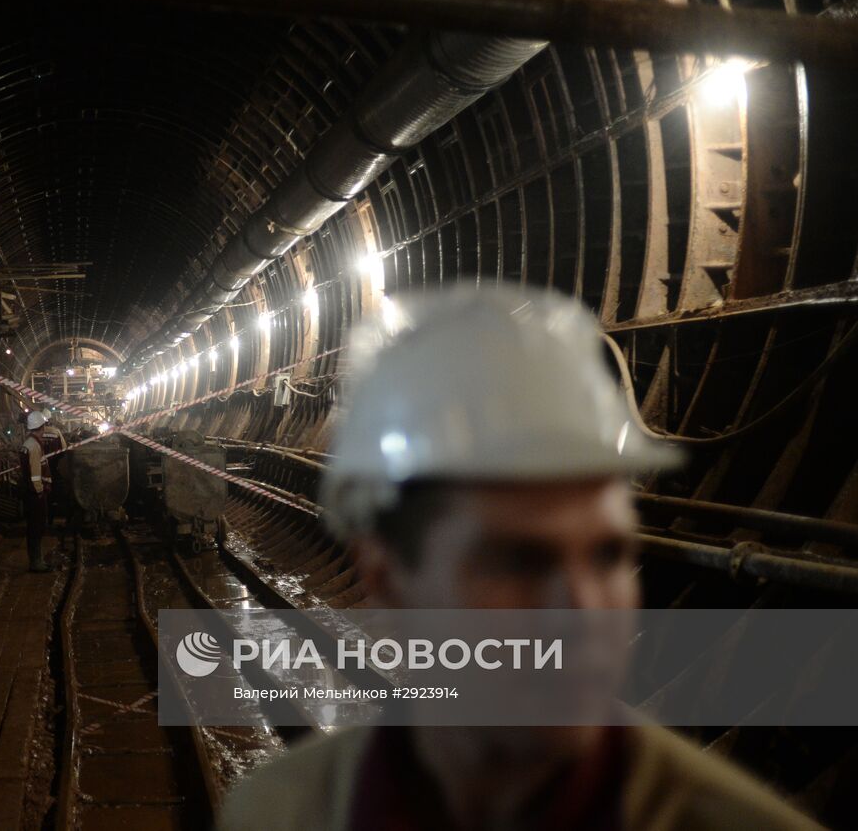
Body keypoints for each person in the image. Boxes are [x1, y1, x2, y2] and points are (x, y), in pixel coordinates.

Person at [217, 286, 820, 831]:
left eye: (608, 556)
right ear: (387, 579)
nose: (582, 611)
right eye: (519, 563)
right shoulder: (280, 810)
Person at [19, 410, 52, 572]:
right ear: (39, 427)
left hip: (33, 493)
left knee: (35, 527)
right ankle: (36, 563)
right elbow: (34, 474)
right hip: (35, 494)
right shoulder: (33, 446)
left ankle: (37, 560)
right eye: (43, 427)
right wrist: (40, 491)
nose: (44, 430)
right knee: (36, 528)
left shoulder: (30, 444)